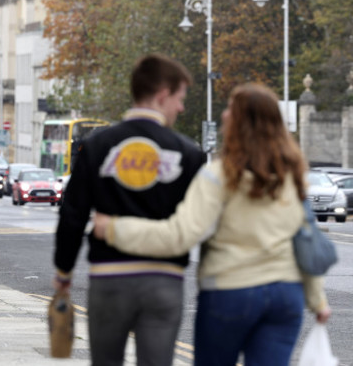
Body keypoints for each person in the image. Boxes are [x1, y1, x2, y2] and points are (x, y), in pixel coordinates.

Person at [93, 83, 332, 366]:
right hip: (285, 296)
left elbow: (179, 235)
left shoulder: (220, 175)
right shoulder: (292, 175)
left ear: (242, 121)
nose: (225, 114)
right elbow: (305, 239)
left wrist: (113, 228)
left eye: (231, 108)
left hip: (230, 291)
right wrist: (318, 300)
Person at [53, 54, 206, 365]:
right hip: (165, 281)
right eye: (179, 98)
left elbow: (73, 214)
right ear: (162, 95)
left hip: (110, 278)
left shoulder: (97, 146)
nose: (181, 108)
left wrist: (64, 271)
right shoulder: (189, 154)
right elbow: (198, 224)